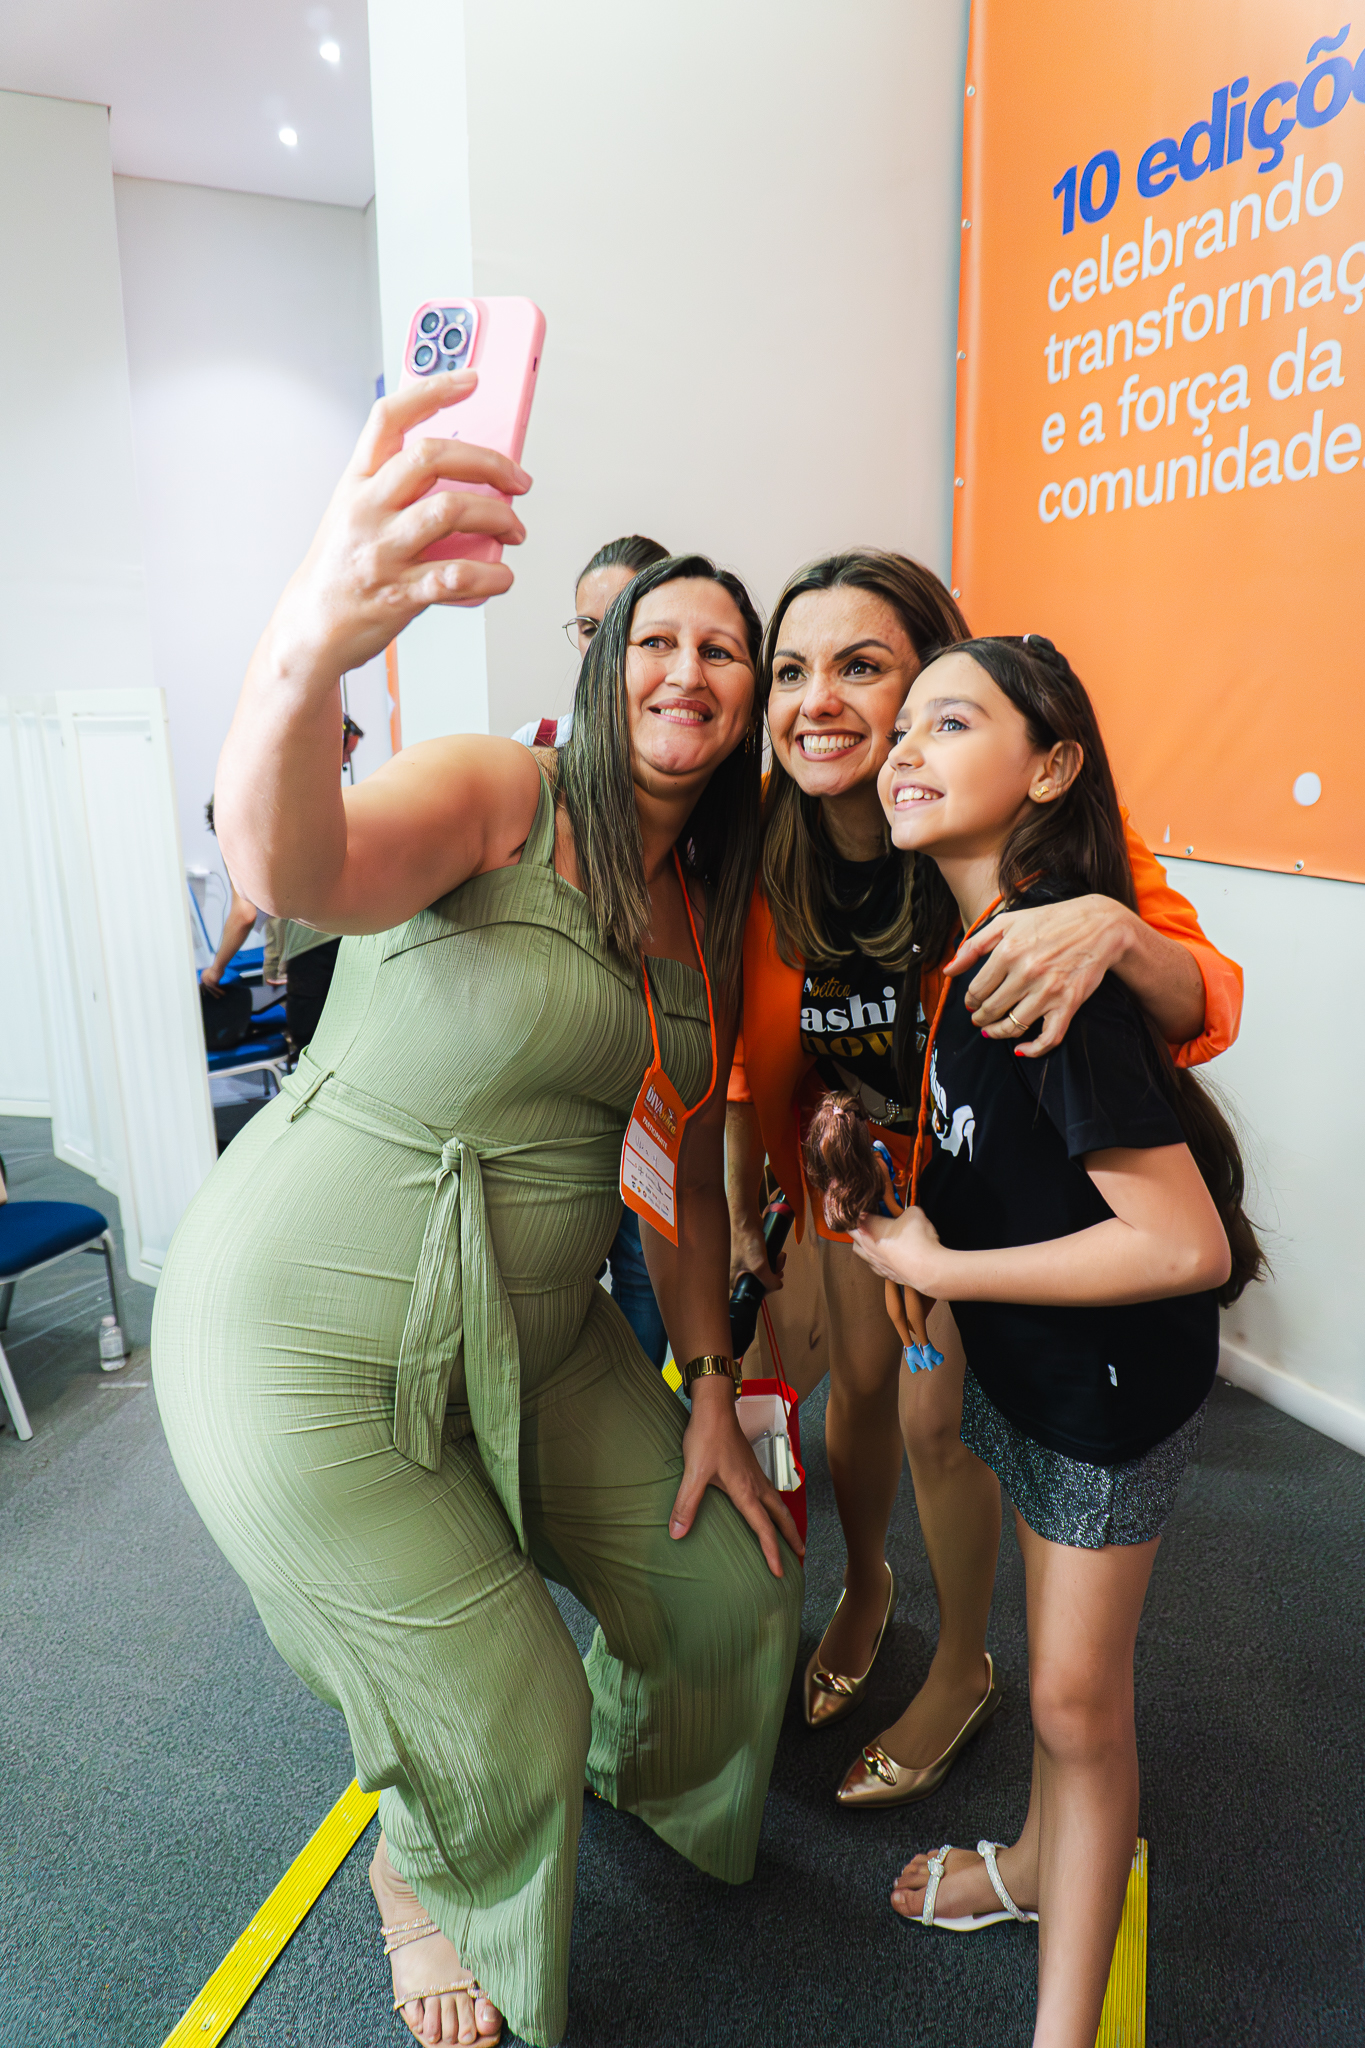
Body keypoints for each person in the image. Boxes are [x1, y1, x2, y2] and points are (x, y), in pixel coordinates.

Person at [151, 370, 802, 2048]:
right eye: (656, 638)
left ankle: (618, 1773)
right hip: (303, 1318)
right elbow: (292, 866)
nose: (687, 667)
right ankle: (420, 1870)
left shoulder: (707, 906)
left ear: (749, 700)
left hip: (545, 1328)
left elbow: (692, 1175)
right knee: (508, 1708)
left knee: (730, 1591)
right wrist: (311, 640)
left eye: (724, 648)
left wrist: (713, 1388)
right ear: (601, 664)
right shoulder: (500, 793)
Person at [726, 550, 1244, 1805]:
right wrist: (756, 1201)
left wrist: (1113, 928)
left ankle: (964, 1662)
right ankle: (866, 1587)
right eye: (791, 670)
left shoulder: (999, 816)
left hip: (984, 1193)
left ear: (933, 682)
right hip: (862, 1184)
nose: (819, 701)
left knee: (937, 1420)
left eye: (864, 667)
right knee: (858, 1392)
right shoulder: (762, 839)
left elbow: (1201, 994)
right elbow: (742, 1048)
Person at [848, 633, 1262, 2047]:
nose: (904, 746)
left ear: (1052, 767)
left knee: (1082, 1708)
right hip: (1035, 1367)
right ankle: (1033, 1861)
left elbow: (1183, 1246)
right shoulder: (979, 944)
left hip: (1106, 1398)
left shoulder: (1052, 971)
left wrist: (941, 1265)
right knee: (1057, 1678)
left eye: (951, 722)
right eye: (904, 723)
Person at [512, 532, 673, 1366]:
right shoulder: (532, 752)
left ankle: (645, 1417)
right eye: (588, 627)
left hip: (658, 1072)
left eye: (630, 625)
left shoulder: (697, 760)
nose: (603, 645)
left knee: (649, 1274)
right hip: (557, 1075)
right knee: (543, 1274)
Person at [510, 533, 669, 748]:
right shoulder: (536, 742)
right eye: (589, 629)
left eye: (622, 625)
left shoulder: (695, 744)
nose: (601, 645)